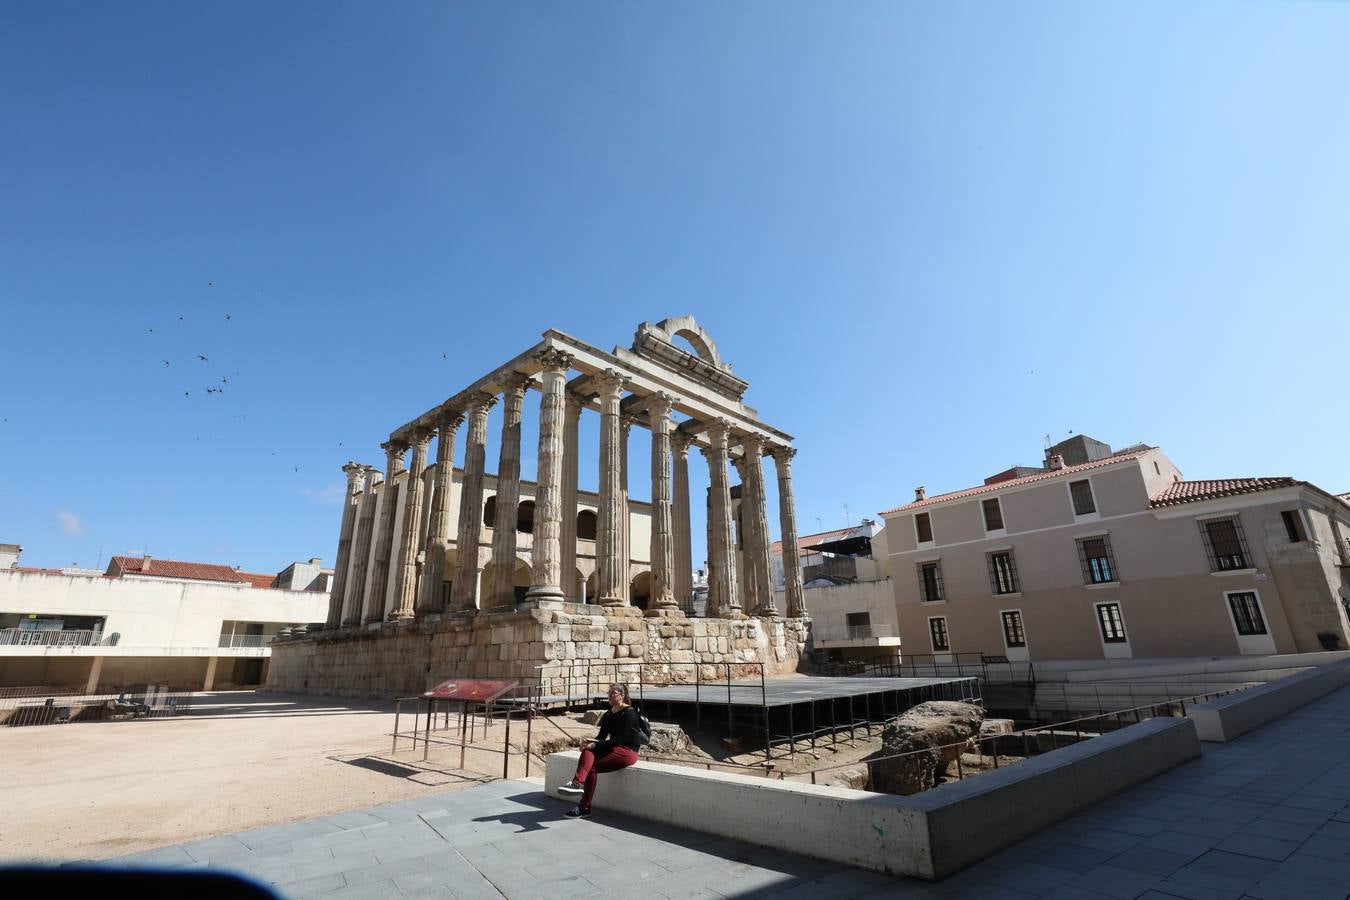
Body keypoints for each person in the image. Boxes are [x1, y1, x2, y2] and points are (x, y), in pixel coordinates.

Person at [557, 683, 641, 817]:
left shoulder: (629, 713)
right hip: (614, 748)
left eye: (613, 693)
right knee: (587, 752)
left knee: (592, 764)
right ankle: (578, 786)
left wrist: (595, 745)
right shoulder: (609, 714)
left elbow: (619, 740)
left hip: (627, 751)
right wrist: (589, 742)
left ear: (622, 695)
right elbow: (601, 737)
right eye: (609, 693)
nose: (609, 696)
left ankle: (582, 802)